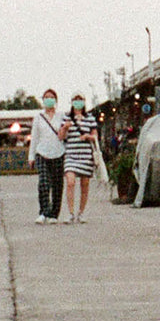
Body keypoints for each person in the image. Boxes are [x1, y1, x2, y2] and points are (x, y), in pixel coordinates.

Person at [28, 89, 69, 224]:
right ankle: (44, 211)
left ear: (56, 100)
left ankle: (54, 214)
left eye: (51, 97)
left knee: (57, 185)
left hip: (58, 153)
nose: (49, 100)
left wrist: (65, 129)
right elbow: (34, 138)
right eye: (46, 97)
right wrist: (31, 156)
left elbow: (64, 136)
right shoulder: (38, 117)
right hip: (42, 153)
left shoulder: (62, 116)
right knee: (44, 183)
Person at [61, 93, 99, 223]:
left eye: (80, 99)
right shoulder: (66, 117)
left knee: (85, 184)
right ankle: (71, 212)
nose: (78, 102)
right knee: (70, 182)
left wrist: (87, 136)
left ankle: (81, 212)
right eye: (75, 100)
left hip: (86, 156)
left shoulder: (90, 118)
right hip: (71, 154)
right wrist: (65, 127)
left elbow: (95, 136)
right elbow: (61, 136)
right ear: (71, 102)